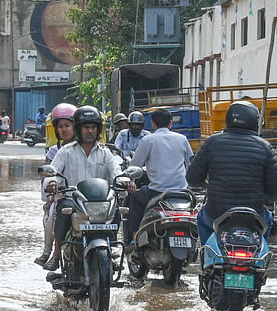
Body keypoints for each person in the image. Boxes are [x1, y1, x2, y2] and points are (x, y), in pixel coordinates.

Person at [185, 100, 277, 258]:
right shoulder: (264, 147)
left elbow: (193, 178)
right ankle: (259, 259)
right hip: (254, 213)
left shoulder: (212, 142)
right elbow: (276, 188)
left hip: (216, 211)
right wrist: (268, 198)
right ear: (255, 121)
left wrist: (205, 184)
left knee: (202, 220)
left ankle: (206, 256)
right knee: (268, 220)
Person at [43, 105, 124, 278]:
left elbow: (117, 173)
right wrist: (51, 184)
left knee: (117, 210)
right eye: (86, 127)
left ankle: (113, 247)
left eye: (93, 127)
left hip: (100, 202)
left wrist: (126, 182)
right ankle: (57, 254)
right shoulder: (65, 152)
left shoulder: (106, 153)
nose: (90, 131)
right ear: (79, 129)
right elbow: (53, 172)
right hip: (73, 200)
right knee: (62, 211)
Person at [125, 108, 193, 244]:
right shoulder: (182, 139)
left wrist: (130, 179)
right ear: (171, 123)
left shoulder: (148, 140)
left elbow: (134, 166)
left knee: (134, 198)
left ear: (153, 124)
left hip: (156, 192)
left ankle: (134, 237)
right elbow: (190, 163)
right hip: (182, 192)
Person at [35, 103, 77, 265]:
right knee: (52, 215)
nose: (64, 130)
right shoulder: (55, 151)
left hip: (86, 196)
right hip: (61, 194)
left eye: (68, 125)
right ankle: (51, 252)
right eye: (61, 127)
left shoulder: (88, 148)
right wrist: (49, 193)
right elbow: (47, 176)